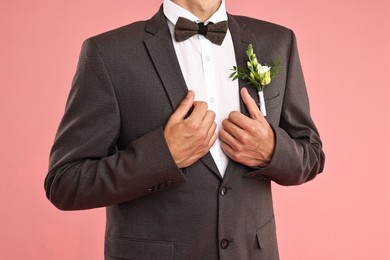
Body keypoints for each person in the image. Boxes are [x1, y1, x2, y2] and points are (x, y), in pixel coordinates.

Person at [44, 0, 325, 259]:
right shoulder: (108, 53)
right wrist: (163, 156)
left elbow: (311, 155)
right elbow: (64, 183)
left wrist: (271, 150)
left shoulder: (277, 41)